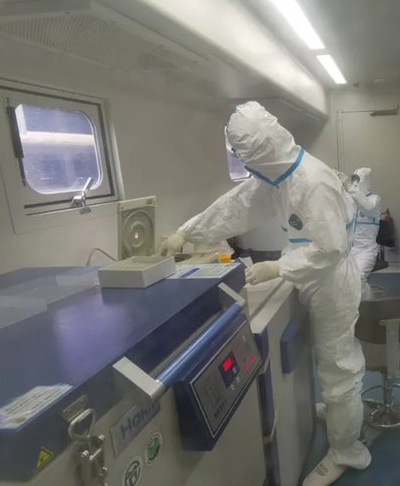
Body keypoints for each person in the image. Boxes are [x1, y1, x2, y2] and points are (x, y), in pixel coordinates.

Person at [159, 102, 370, 486]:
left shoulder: (311, 181)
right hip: (309, 274)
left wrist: (278, 268)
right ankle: (340, 412)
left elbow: (331, 248)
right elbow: (236, 207)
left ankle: (347, 450)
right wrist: (186, 233)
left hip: (331, 280)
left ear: (260, 152)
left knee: (338, 365)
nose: (245, 165)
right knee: (325, 359)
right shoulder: (278, 176)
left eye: (245, 157)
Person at [348, 167, 382, 300]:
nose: (355, 183)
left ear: (366, 181)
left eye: (358, 180)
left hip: (366, 250)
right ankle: (353, 306)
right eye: (353, 180)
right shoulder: (350, 200)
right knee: (344, 280)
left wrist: (351, 189)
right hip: (350, 249)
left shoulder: (375, 199)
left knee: (358, 278)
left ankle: (370, 304)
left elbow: (368, 208)